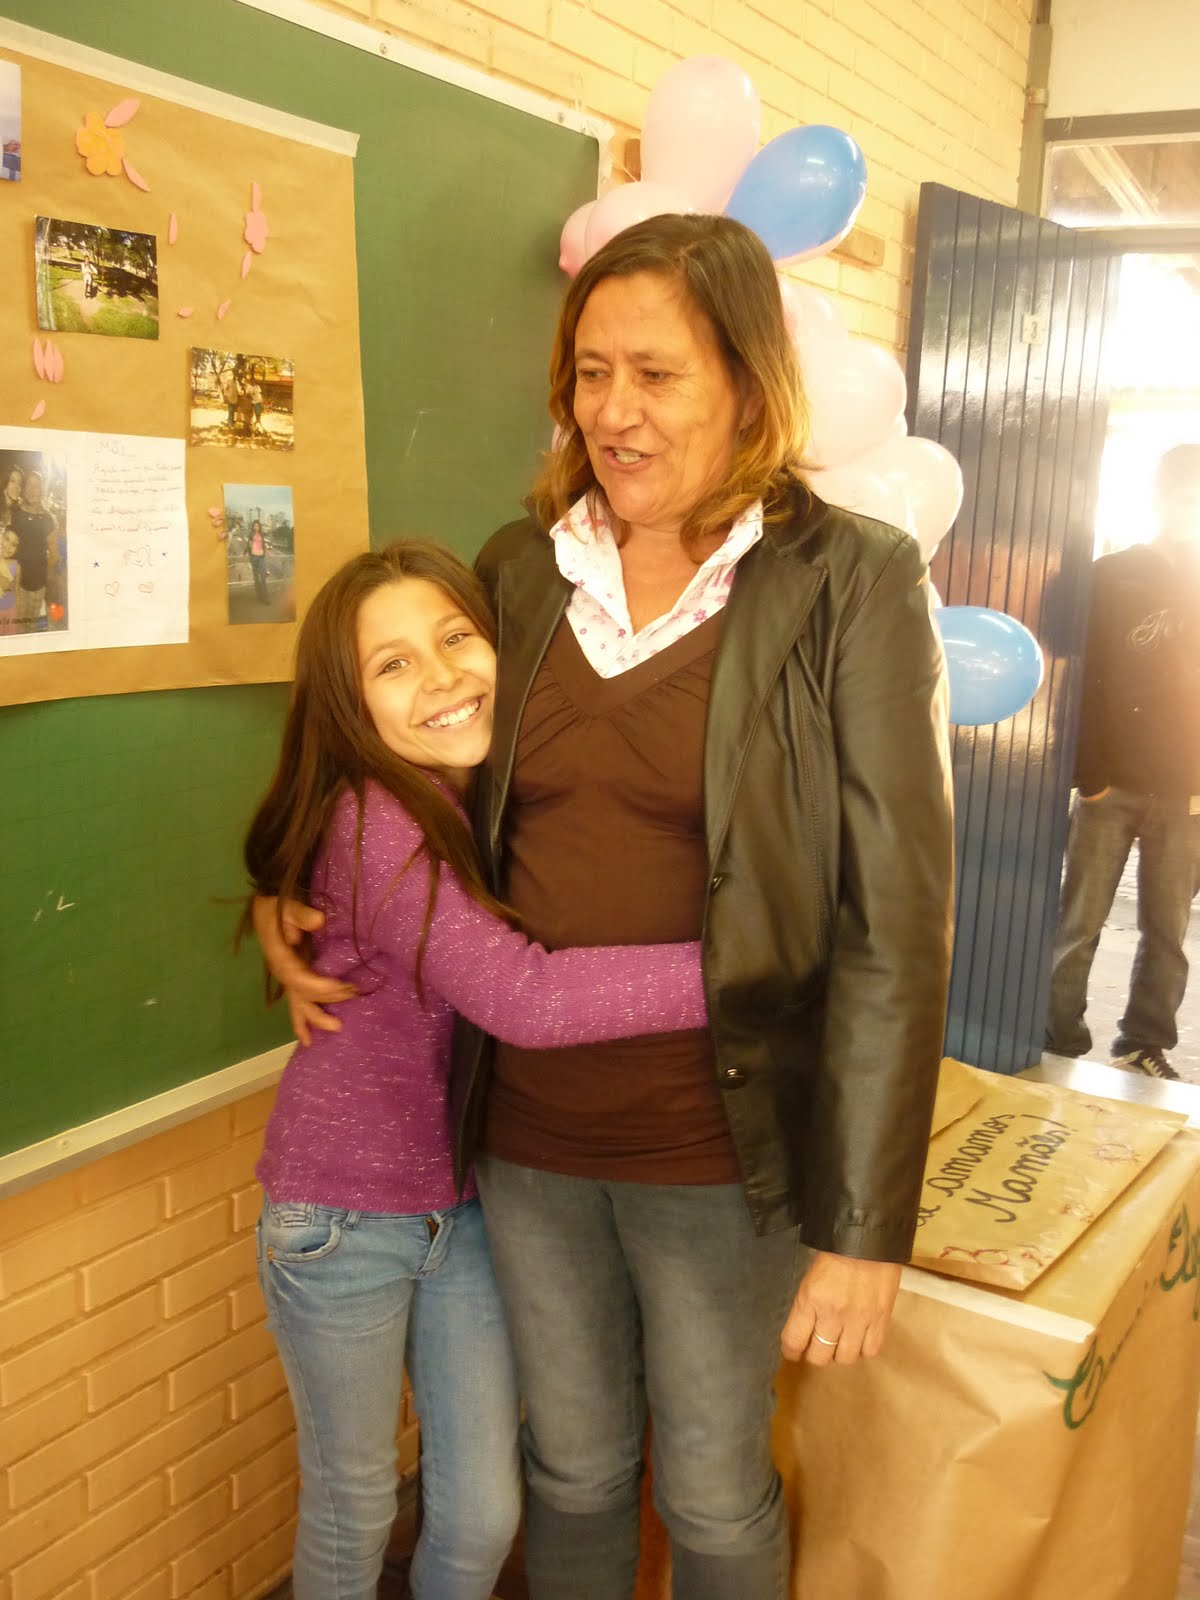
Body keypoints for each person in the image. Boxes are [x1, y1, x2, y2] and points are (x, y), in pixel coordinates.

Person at [257, 213, 954, 1600]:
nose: (614, 411)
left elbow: (896, 922)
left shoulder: (850, 580)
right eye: (590, 372)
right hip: (522, 1143)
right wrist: (292, 891)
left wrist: (866, 1230)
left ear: (747, 383)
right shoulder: (522, 569)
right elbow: (399, 759)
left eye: (657, 373)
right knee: (570, 1467)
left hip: (720, 1145)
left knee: (710, 1483)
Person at [242, 536, 710, 1600]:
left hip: (461, 1203)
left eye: (457, 637)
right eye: (393, 663)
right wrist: (739, 973)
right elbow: (522, 998)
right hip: (341, 1217)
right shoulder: (377, 817)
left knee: (482, 1509)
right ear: (348, 703)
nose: (442, 676)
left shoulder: (476, 784)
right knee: (356, 1503)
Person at [1046, 442, 1200, 1080]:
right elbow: (1080, 677)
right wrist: (1091, 778)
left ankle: (1143, 1045)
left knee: (1168, 933)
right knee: (1078, 925)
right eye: (1184, 495)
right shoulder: (1111, 574)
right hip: (1111, 787)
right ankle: (1056, 1041)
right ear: (1160, 498)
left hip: (1189, 795)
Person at [11, 469, 57, 627]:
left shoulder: (47, 519)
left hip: (37, 584)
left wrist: (44, 576)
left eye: (36, 486)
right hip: (15, 582)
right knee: (15, 622)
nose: (32, 490)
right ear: (24, 489)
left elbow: (53, 555)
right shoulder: (16, 513)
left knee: (30, 623)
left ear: (42, 491)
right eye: (29, 485)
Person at [247, 519, 269, 605]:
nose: (256, 527)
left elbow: (263, 544)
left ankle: (265, 597)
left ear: (259, 526)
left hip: (261, 557)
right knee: (256, 578)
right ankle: (259, 596)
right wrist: (246, 553)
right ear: (253, 527)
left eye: (257, 526)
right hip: (254, 557)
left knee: (263, 577)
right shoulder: (251, 535)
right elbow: (249, 545)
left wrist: (266, 551)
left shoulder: (262, 534)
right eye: (255, 526)